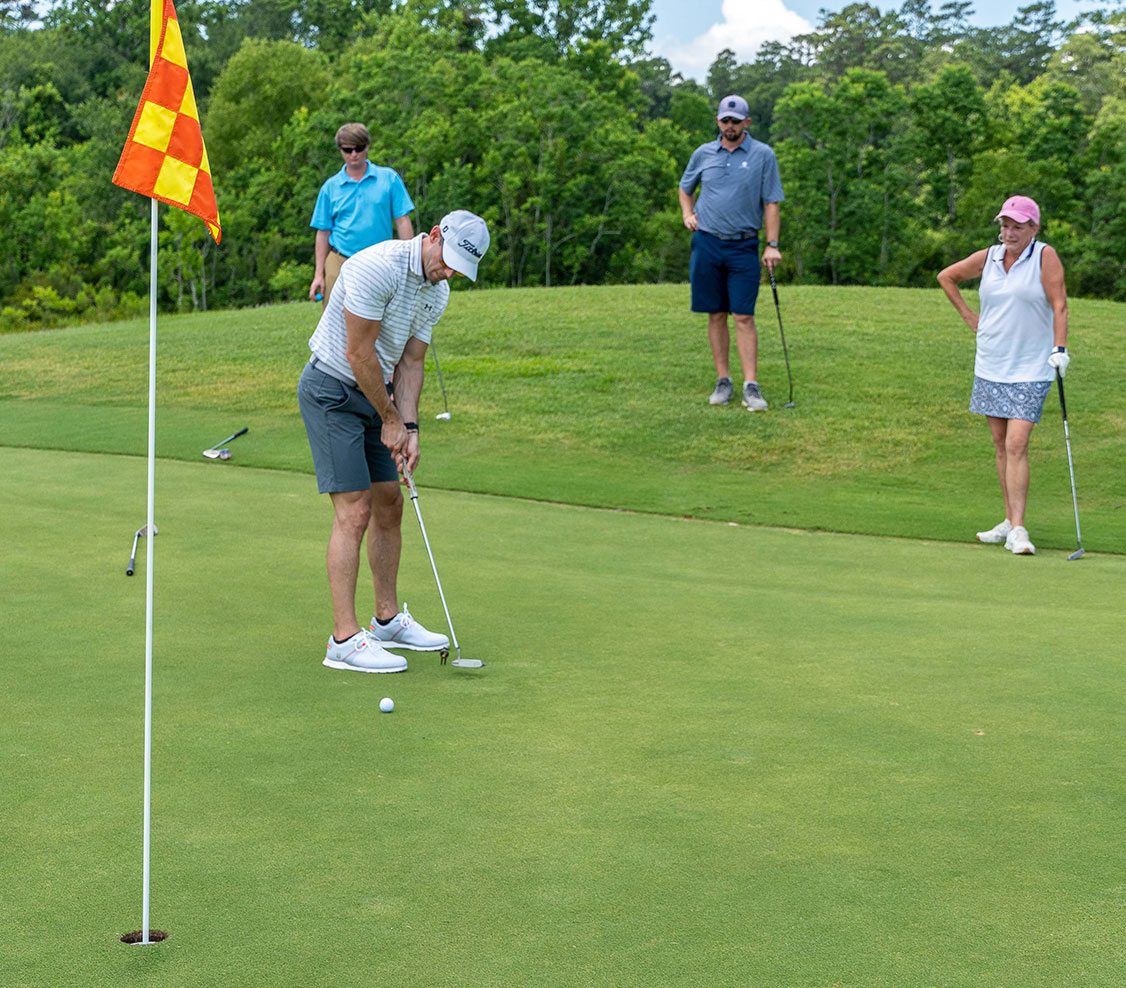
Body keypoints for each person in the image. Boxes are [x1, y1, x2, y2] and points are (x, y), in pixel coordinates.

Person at [298, 210, 491, 672]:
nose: (448, 273)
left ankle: (386, 621)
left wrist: (411, 427)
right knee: (355, 510)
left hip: (376, 397)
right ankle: (343, 641)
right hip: (332, 391)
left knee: (390, 503)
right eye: (447, 261)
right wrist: (390, 419)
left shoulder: (436, 292)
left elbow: (411, 363)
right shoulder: (375, 267)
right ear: (435, 236)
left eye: (458, 271)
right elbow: (357, 352)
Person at [937, 195, 1070, 556]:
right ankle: (1009, 522)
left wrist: (1060, 348)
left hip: (1031, 365)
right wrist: (969, 316)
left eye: (1017, 226)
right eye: (1005, 225)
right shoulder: (989, 257)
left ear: (1033, 228)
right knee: (1000, 446)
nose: (1009, 233)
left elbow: (1059, 304)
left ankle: (1020, 530)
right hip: (991, 362)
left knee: (1016, 444)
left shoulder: (1045, 256)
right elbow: (946, 277)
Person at [679, 94, 785, 411]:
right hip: (707, 241)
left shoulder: (763, 155)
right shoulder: (703, 154)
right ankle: (723, 381)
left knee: (743, 315)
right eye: (725, 120)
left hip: (743, 244)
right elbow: (686, 188)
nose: (730, 126)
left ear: (746, 123)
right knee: (716, 313)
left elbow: (772, 202)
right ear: (718, 121)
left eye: (735, 121)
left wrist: (772, 244)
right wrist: (687, 213)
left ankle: (751, 386)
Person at [308, 123, 415, 308]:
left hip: (380, 259)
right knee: (334, 316)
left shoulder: (389, 179)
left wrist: (411, 262)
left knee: (381, 315)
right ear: (340, 150)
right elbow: (323, 233)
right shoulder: (330, 187)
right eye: (347, 150)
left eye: (358, 148)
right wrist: (319, 275)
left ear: (367, 147)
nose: (354, 154)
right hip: (339, 259)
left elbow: (402, 220)